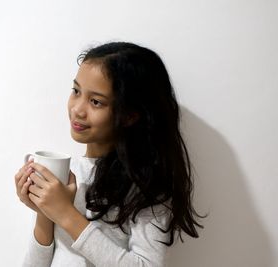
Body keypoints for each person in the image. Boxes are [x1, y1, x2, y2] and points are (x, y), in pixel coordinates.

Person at [14, 42, 203, 266]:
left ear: (130, 115)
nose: (77, 109)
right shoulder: (68, 172)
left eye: (96, 101)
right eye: (76, 91)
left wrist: (65, 214)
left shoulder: (147, 187)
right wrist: (45, 212)